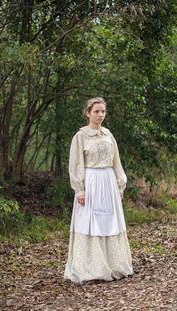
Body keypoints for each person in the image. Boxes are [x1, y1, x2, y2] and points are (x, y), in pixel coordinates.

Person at [64, 97, 133, 284]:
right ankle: (91, 268)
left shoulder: (108, 135)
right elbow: (75, 163)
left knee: (109, 222)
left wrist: (120, 185)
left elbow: (116, 161)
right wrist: (80, 190)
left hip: (108, 182)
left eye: (103, 111)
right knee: (89, 222)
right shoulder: (80, 136)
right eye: (96, 111)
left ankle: (114, 265)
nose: (100, 114)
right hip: (91, 183)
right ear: (88, 113)